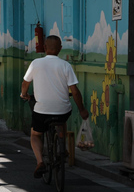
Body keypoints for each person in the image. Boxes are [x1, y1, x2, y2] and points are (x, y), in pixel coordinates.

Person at [20, 35, 89, 178]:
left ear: (45, 48)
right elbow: (74, 92)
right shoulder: (65, 66)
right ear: (60, 49)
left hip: (41, 111)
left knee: (35, 134)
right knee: (62, 118)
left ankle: (40, 162)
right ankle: (62, 146)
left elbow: (25, 83)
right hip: (63, 110)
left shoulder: (35, 63)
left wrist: (24, 94)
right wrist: (82, 110)